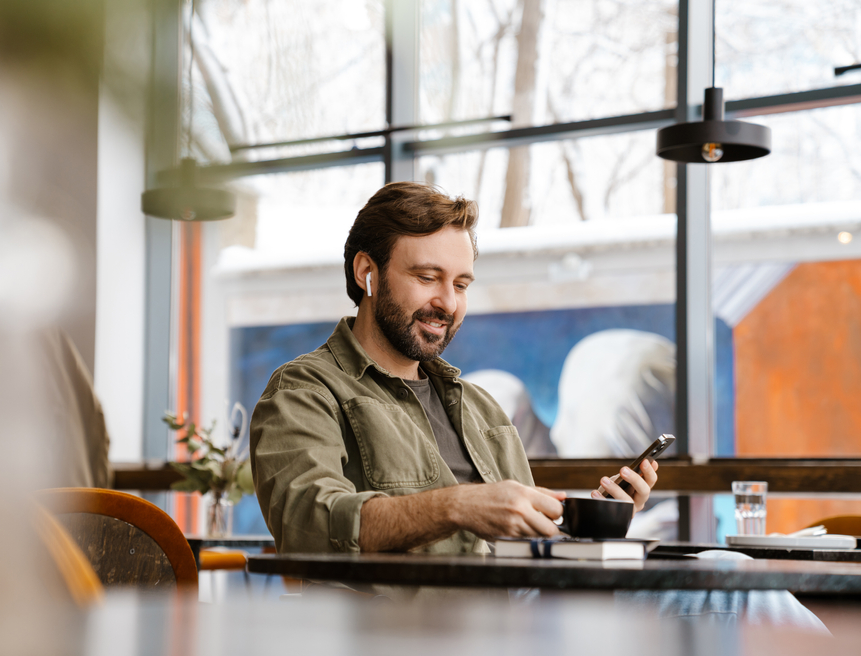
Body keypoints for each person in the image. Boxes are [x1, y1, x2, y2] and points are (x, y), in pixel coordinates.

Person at [249, 181, 658, 556]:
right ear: (366, 272)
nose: (448, 302)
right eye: (428, 277)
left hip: (510, 630)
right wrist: (457, 505)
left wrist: (594, 524)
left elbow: (524, 549)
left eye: (461, 285)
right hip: (388, 636)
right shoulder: (304, 392)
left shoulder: (484, 408)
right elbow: (307, 525)